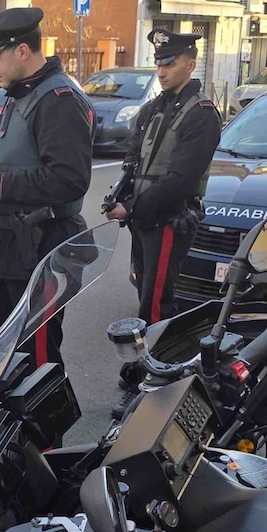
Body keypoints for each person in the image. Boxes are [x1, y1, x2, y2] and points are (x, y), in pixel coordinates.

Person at [0, 6, 92, 366]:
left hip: (42, 247)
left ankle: (44, 408)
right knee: (4, 355)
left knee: (36, 361)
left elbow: (68, 180)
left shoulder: (58, 101)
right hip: (13, 249)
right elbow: (18, 163)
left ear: (22, 51)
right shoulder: (21, 95)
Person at [107, 28, 221, 329]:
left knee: (157, 304)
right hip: (144, 219)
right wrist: (121, 195)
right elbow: (133, 160)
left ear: (191, 65)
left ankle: (157, 356)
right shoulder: (152, 109)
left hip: (170, 219)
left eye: (169, 64)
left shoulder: (201, 113)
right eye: (158, 64)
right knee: (146, 294)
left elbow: (181, 180)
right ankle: (150, 353)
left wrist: (131, 206)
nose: (161, 71)